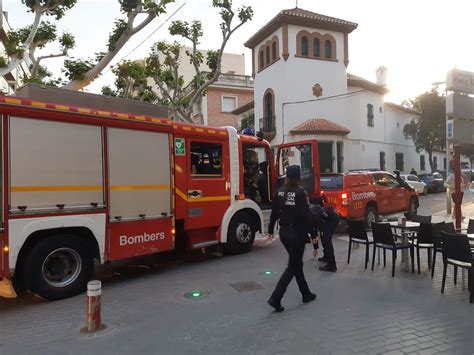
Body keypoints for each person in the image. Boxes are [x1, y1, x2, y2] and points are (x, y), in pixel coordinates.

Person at [267, 165, 318, 312]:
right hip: (297, 234)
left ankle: (306, 293)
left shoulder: (279, 192)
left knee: (296, 264)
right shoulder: (301, 193)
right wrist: (313, 235)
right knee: (292, 267)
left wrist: (270, 229)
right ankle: (275, 298)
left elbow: (274, 213)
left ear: (287, 177)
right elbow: (306, 216)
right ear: (299, 177)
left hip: (284, 233)